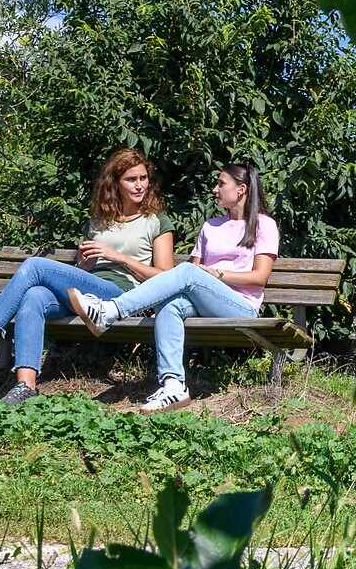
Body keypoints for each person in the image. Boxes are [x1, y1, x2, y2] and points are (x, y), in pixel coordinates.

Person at [0, 150, 176, 405]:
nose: (140, 185)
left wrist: (118, 257)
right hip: (86, 295)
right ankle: (25, 386)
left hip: (121, 297)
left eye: (143, 178)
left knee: (35, 266)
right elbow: (82, 269)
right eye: (132, 179)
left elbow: (164, 277)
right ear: (115, 183)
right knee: (34, 296)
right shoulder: (99, 221)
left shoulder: (156, 222)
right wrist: (85, 265)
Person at [69, 161, 278, 414]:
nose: (214, 189)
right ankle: (173, 386)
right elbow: (186, 277)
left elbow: (259, 277)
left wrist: (217, 274)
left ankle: (111, 311)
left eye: (221, 183)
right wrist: (164, 298)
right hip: (205, 302)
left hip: (241, 306)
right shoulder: (210, 226)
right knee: (171, 304)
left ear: (242, 189)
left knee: (188, 271)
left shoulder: (264, 224)